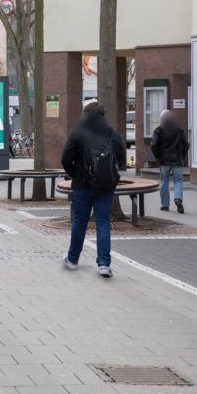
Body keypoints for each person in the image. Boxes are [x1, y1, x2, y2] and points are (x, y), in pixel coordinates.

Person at [61, 102, 126, 278]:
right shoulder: (112, 134)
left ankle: (73, 259)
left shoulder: (78, 133)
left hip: (82, 185)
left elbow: (66, 158)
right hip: (105, 186)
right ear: (103, 115)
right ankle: (104, 264)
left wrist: (75, 173)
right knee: (103, 223)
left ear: (85, 115)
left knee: (80, 222)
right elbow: (121, 159)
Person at [151, 109, 189, 213]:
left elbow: (153, 145)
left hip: (164, 161)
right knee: (178, 181)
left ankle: (165, 205)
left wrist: (157, 157)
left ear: (162, 119)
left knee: (164, 182)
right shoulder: (179, 130)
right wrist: (183, 156)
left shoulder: (158, 130)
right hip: (177, 160)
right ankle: (178, 198)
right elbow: (186, 145)